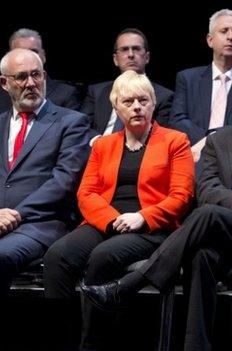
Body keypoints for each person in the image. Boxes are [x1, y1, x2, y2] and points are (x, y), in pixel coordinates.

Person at [82, 59, 232, 351]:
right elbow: (206, 188)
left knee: (204, 218)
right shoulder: (219, 139)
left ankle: (130, 285)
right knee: (200, 253)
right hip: (225, 228)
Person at [43, 70, 194, 350]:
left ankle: (93, 343)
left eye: (143, 100)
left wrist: (141, 217)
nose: (137, 106)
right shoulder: (103, 145)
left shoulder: (176, 141)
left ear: (153, 104)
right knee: (57, 256)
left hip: (152, 227)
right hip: (107, 222)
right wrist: (112, 220)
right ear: (116, 108)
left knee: (104, 256)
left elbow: (182, 196)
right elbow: (85, 193)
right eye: (128, 101)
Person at [0, 48, 90, 347]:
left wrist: (8, 218)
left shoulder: (71, 122)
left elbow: (63, 182)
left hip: (40, 224)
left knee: (0, 257)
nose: (31, 83)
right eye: (21, 77)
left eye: (36, 74)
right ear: (4, 84)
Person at [170, 9, 232, 161]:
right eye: (224, 31)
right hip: (192, 153)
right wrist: (205, 141)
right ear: (210, 40)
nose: (230, 36)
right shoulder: (187, 78)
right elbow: (177, 120)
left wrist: (211, 141)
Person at [82, 28, 174, 144]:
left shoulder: (165, 96)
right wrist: (99, 142)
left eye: (136, 49)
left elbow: (159, 137)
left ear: (147, 57)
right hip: (96, 149)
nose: (130, 55)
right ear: (116, 59)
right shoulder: (96, 91)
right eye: (124, 49)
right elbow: (82, 124)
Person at [0, 28, 81, 119]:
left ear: (44, 56)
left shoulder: (66, 93)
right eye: (21, 52)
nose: (28, 57)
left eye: (34, 52)